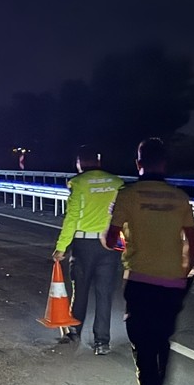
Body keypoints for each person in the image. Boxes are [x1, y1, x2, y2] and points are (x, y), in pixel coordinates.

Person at [102, 137, 194, 385]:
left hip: (141, 279)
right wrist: (186, 271)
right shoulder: (179, 197)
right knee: (161, 341)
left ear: (138, 164)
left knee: (142, 345)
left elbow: (109, 239)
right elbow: (192, 243)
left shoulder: (127, 195)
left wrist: (121, 241)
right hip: (173, 282)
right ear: (164, 163)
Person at [52, 145, 124, 354]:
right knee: (104, 294)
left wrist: (61, 247)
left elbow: (72, 218)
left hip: (84, 245)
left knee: (80, 291)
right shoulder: (116, 182)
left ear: (79, 163)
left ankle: (74, 332)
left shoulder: (78, 183)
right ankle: (102, 342)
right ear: (99, 161)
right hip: (110, 244)